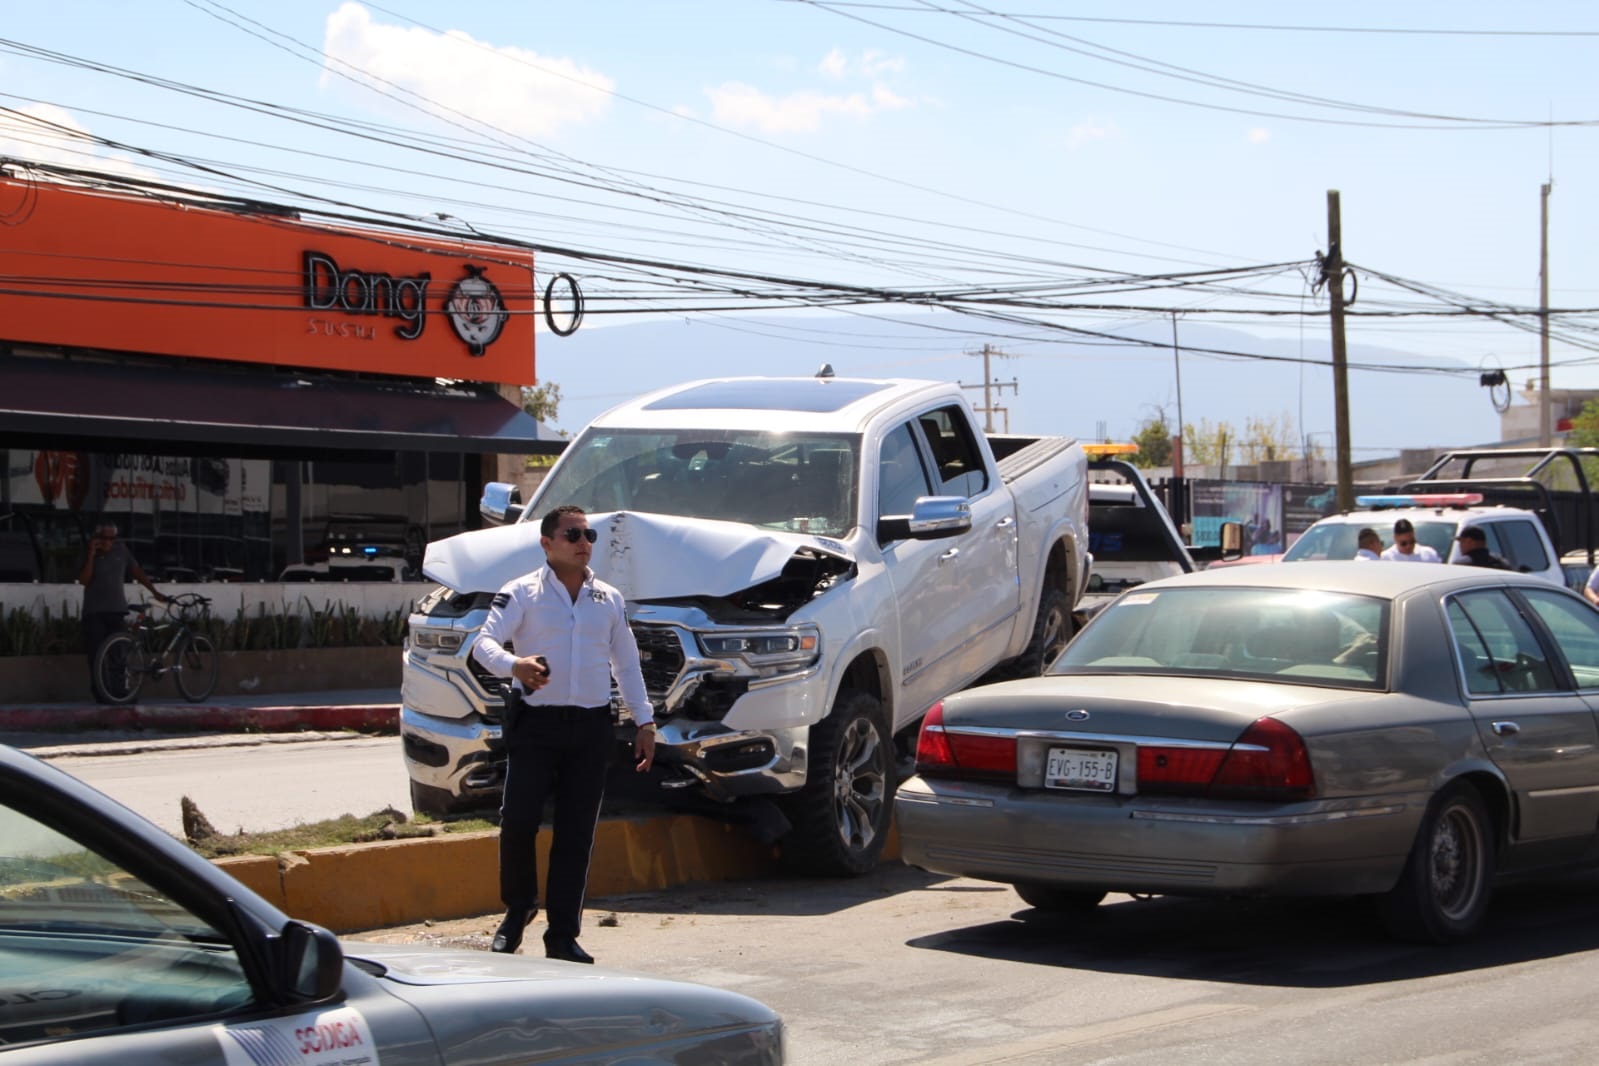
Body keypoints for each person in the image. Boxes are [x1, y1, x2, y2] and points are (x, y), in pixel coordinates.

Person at [471, 504, 656, 964]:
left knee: (577, 832)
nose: (583, 542)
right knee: (518, 822)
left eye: (589, 534)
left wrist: (644, 720)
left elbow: (626, 663)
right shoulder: (522, 593)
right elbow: (483, 643)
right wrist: (514, 665)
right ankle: (517, 912)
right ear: (547, 543)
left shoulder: (608, 599)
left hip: (591, 727)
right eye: (573, 534)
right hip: (537, 724)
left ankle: (562, 933)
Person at [77, 520, 168, 702]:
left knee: (118, 653)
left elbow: (137, 571)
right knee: (96, 654)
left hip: (116, 609)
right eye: (104, 538)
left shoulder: (121, 550)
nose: (108, 542)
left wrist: (154, 591)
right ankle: (101, 692)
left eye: (112, 538)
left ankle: (119, 691)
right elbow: (84, 580)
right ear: (97, 538)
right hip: (94, 611)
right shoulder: (90, 553)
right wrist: (91, 554)